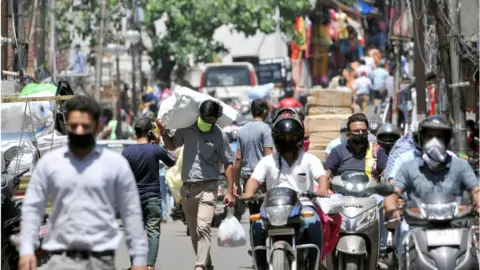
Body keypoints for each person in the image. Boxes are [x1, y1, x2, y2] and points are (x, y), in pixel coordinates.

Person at [19, 96, 147, 270]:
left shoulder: (115, 165)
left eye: (85, 126)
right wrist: (27, 249)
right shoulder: (49, 163)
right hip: (60, 260)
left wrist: (139, 260)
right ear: (66, 126)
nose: (79, 131)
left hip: (101, 261)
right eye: (74, 126)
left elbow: (131, 213)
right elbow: (33, 208)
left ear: (97, 127)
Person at [384, 115, 480, 260]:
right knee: (403, 237)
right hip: (416, 227)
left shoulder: (460, 165)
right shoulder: (407, 166)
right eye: (430, 136)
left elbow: (476, 190)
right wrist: (392, 209)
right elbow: (393, 190)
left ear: (447, 140)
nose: (434, 141)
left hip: (455, 227)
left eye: (439, 136)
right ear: (422, 138)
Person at [241, 111, 326, 270]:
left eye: (292, 136)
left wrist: (322, 189)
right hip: (273, 206)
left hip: (303, 205)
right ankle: (260, 264)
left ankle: (315, 263)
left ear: (299, 137)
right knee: (257, 225)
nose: (288, 140)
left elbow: (322, 176)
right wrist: (248, 193)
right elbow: (254, 179)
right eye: (284, 137)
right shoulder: (268, 161)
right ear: (276, 138)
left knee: (313, 222)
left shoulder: (309, 159)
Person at [159, 100, 235, 270]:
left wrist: (230, 191)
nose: (207, 122)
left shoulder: (218, 135)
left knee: (203, 227)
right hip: (188, 189)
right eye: (205, 118)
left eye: (211, 120)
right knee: (194, 234)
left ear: (216, 119)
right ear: (199, 115)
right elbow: (171, 145)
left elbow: (228, 163)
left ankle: (200, 266)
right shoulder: (186, 130)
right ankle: (207, 264)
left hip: (208, 187)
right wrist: (164, 133)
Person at [320, 113, 389, 268]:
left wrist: (390, 184)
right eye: (356, 131)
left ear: (368, 132)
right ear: (348, 134)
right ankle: (325, 250)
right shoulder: (338, 151)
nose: (360, 134)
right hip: (342, 194)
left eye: (363, 131)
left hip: (370, 194)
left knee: (383, 203)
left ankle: (382, 251)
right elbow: (327, 172)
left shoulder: (377, 151)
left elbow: (387, 172)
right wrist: (323, 186)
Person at [122, 117, 176, 270]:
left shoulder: (127, 152)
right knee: (153, 232)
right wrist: (159, 143)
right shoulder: (155, 149)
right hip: (152, 198)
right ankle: (150, 265)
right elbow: (172, 161)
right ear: (150, 133)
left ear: (135, 133)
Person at [235, 99, 273, 217]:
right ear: (265, 111)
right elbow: (268, 156)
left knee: (254, 213)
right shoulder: (266, 129)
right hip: (262, 179)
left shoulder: (242, 130)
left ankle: (254, 234)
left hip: (247, 178)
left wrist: (236, 184)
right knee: (268, 214)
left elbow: (238, 159)